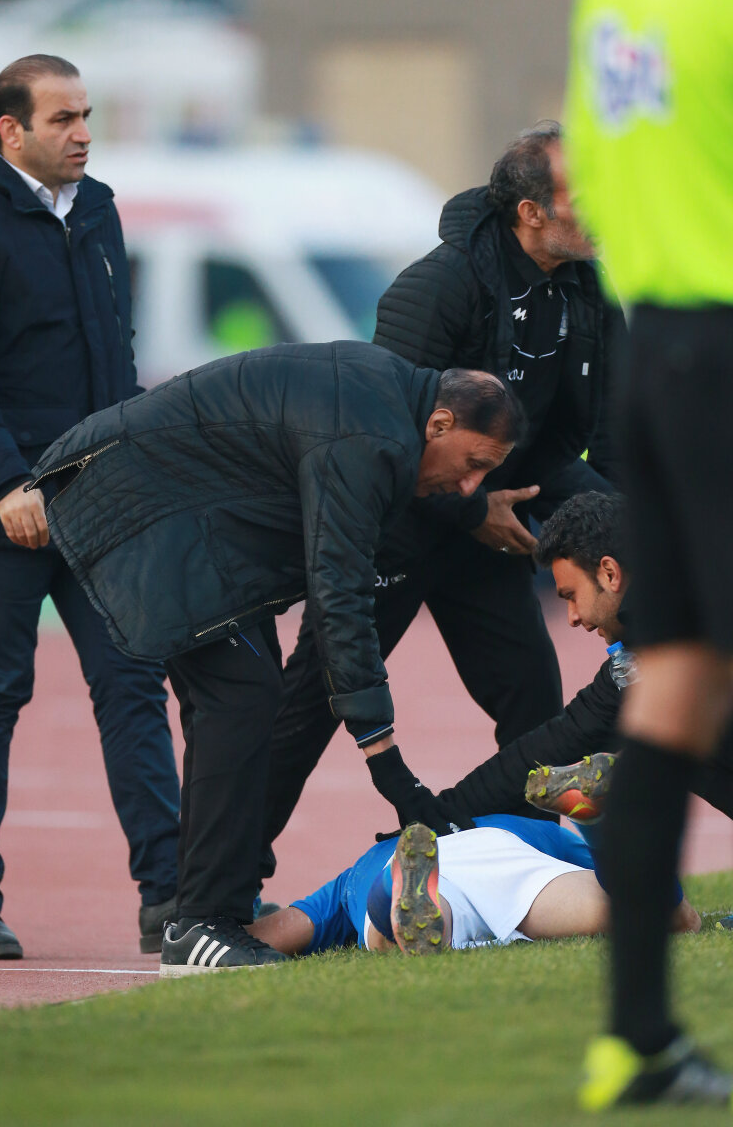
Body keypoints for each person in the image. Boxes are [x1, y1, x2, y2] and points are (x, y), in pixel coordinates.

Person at [29, 344, 524, 973]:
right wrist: (384, 756)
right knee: (237, 696)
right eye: (475, 464)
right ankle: (198, 923)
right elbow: (339, 591)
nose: (471, 486)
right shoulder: (372, 438)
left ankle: (215, 907)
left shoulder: (389, 406)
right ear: (441, 424)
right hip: (138, 502)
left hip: (185, 511)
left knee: (247, 695)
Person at [262, 122, 627, 876]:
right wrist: (471, 509)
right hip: (397, 529)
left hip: (486, 532)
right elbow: (380, 436)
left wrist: (626, 526)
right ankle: (210, 891)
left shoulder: (588, 289)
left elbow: (583, 440)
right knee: (309, 710)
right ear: (531, 212)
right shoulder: (437, 286)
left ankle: (529, 874)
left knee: (533, 701)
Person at [0, 55, 181, 961]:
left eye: (87, 116)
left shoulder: (100, 209)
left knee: (133, 688)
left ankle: (169, 896)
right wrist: (9, 484)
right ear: (11, 131)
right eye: (64, 119)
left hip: (99, 506)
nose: (83, 134)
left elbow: (116, 356)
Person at [564, 0, 733, 1107]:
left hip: (651, 353)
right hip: (724, 345)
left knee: (668, 690)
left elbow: (591, 168)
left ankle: (634, 1039)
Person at [367, 491, 733, 832]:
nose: (572, 617)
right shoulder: (638, 658)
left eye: (571, 596)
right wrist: (440, 814)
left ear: (609, 573)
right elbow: (548, 746)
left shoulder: (700, 608)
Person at [243, 818, 699, 962]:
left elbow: (263, 937)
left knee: (393, 937)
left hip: (388, 867)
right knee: (670, 918)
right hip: (505, 849)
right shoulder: (524, 826)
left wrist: (244, 919)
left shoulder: (352, 874)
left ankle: (392, 897)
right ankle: (603, 819)